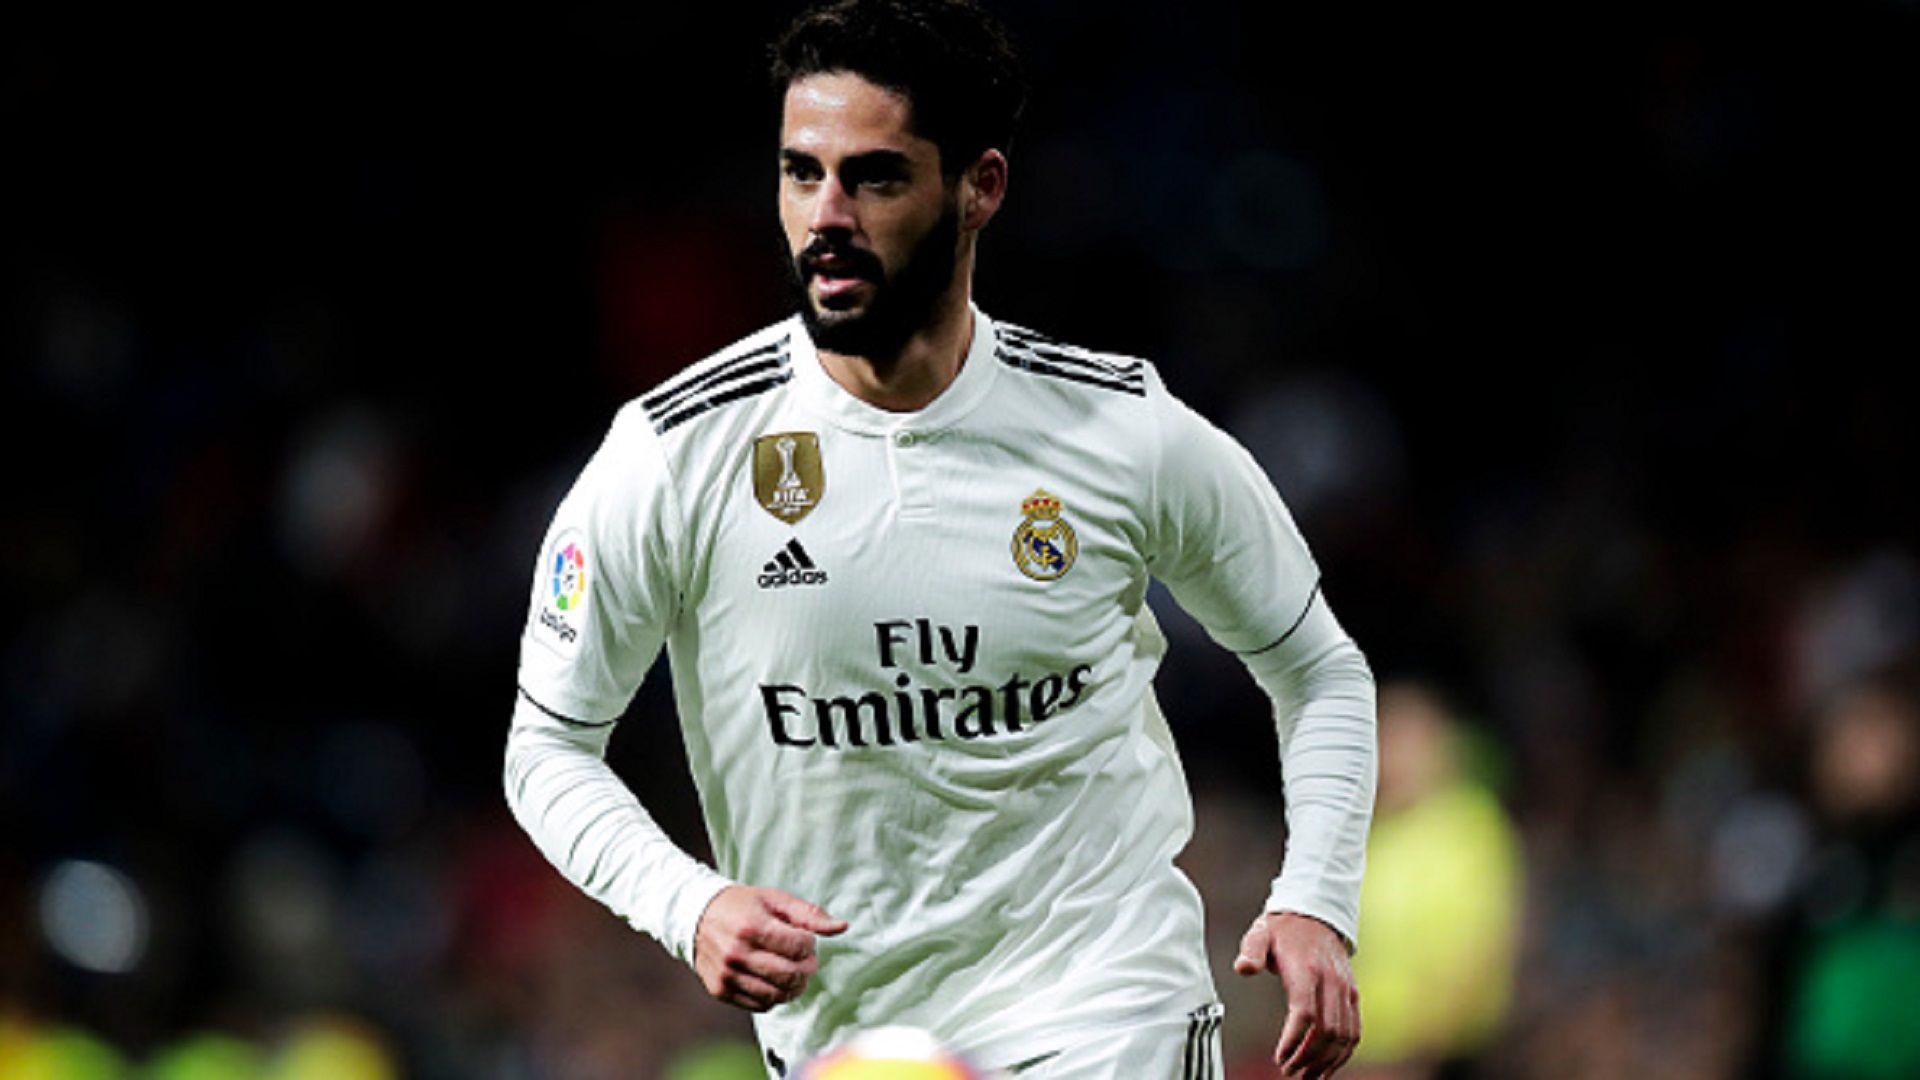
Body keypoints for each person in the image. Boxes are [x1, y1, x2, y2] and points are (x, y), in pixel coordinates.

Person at [503, 2, 1377, 1077]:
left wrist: (1317, 901)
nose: (825, 215)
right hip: (847, 1041)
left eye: (873, 177)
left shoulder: (1122, 429)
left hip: (1105, 1008)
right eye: (799, 172)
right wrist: (689, 904)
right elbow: (545, 747)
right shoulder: (676, 455)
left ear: (980, 188)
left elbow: (1319, 667)